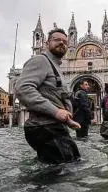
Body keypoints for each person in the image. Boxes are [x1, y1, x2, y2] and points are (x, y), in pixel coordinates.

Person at [15, 28, 81, 164]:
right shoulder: (40, 60)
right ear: (46, 43)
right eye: (57, 40)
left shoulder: (55, 67)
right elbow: (23, 88)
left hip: (53, 127)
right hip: (45, 128)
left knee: (69, 166)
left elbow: (55, 97)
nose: (61, 43)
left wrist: (67, 120)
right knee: (62, 174)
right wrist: (55, 112)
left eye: (64, 41)